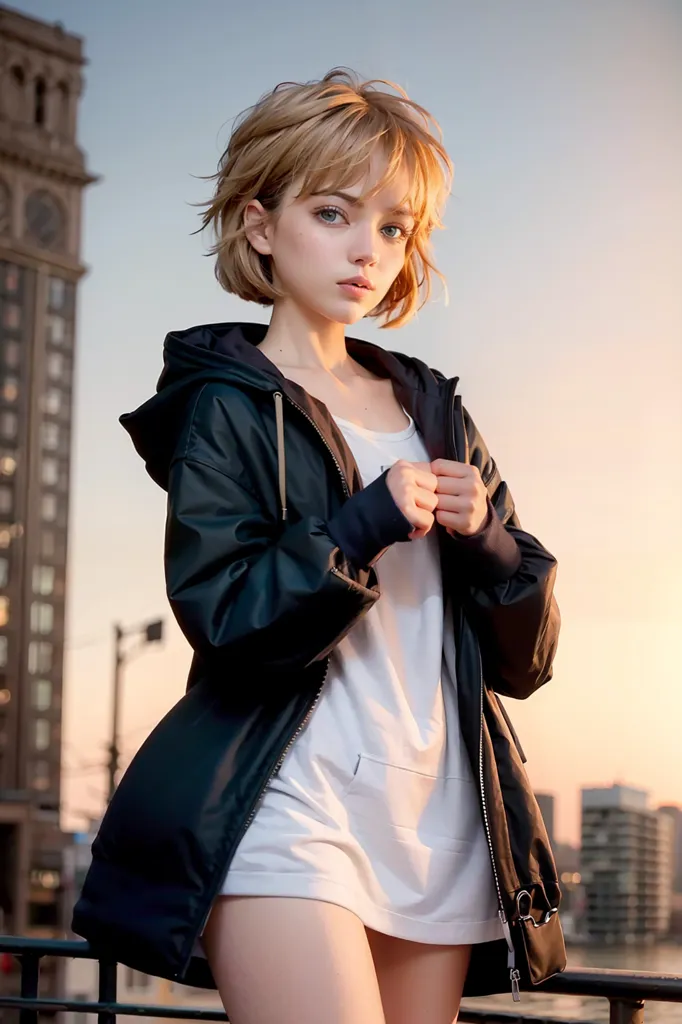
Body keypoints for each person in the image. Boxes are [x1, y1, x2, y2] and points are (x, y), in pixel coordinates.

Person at [72, 68, 565, 1024]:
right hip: (284, 800)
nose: (368, 251)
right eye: (334, 213)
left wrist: (494, 548)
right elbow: (228, 619)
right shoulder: (228, 404)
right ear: (260, 223)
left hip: (438, 815)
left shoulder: (437, 411)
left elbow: (528, 660)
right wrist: (360, 526)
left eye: (392, 227)